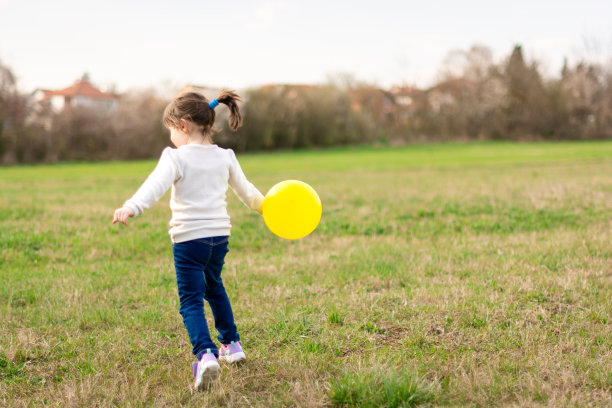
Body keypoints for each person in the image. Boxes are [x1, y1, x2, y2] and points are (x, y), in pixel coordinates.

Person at [112, 90, 264, 390]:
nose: (171, 139)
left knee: (191, 300)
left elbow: (154, 187)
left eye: (171, 130)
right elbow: (248, 193)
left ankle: (205, 354)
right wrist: (269, 207)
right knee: (214, 287)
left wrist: (131, 206)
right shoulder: (225, 156)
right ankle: (232, 345)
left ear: (183, 125)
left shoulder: (176, 157)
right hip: (219, 239)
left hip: (189, 240)